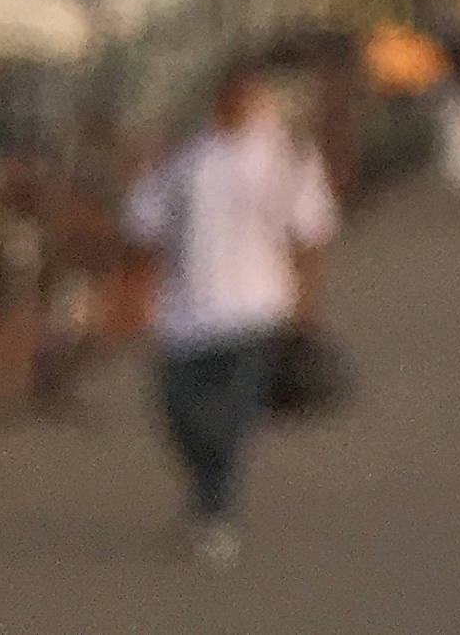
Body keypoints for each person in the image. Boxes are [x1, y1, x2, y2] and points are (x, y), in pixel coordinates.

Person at [121, 62, 337, 568]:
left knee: (230, 419)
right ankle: (205, 488)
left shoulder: (288, 157)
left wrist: (306, 306)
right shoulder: (186, 158)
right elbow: (143, 224)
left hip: (255, 311)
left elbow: (311, 235)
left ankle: (216, 510)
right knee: (179, 412)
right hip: (184, 314)